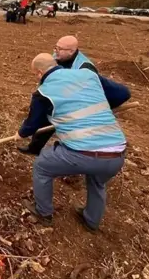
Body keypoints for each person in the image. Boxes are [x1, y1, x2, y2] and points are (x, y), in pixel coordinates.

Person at [15, 54, 127, 230]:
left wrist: (20, 134)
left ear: (39, 73)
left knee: (42, 166)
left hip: (85, 155)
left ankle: (43, 212)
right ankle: (91, 221)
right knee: (97, 181)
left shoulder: (44, 92)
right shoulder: (87, 75)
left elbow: (32, 124)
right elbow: (123, 93)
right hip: (118, 153)